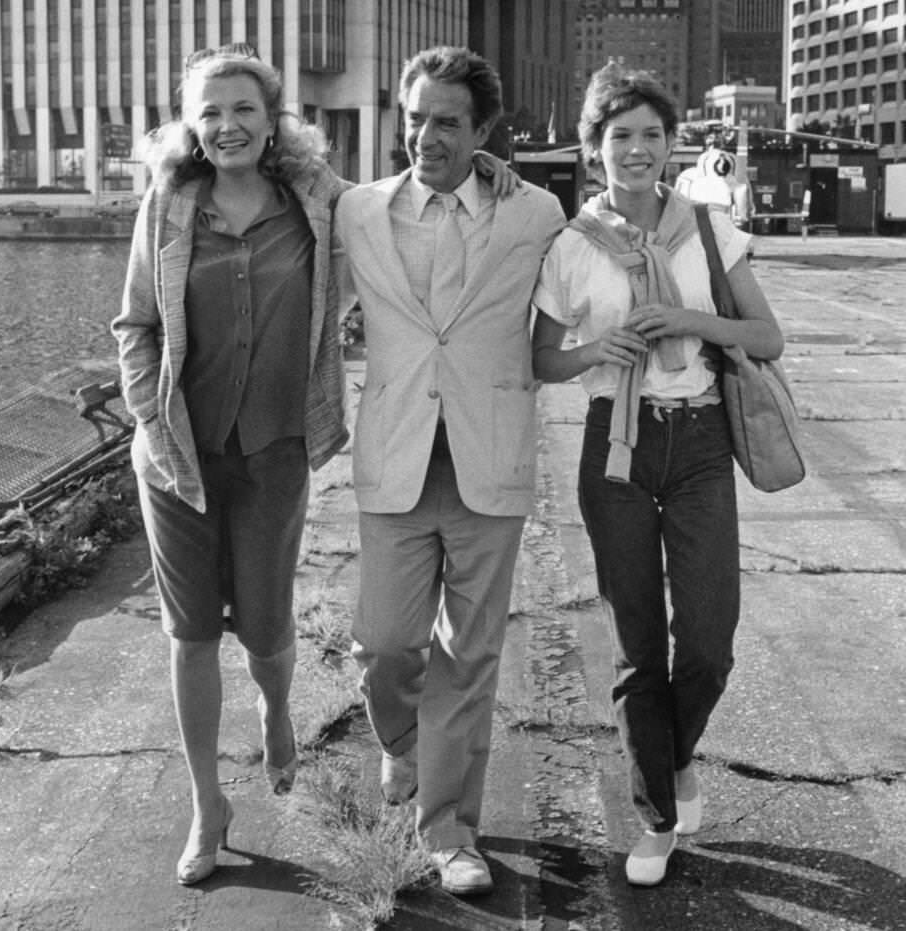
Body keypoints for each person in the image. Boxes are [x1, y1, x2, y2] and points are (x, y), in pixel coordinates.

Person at [530, 63, 784, 887]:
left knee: (708, 639)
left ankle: (672, 754)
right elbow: (542, 358)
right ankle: (656, 816)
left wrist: (685, 317)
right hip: (617, 444)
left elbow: (767, 336)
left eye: (651, 134)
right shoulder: (572, 246)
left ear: (672, 144)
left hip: (701, 438)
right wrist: (592, 352)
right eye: (619, 136)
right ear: (592, 148)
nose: (636, 149)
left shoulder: (707, 230)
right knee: (638, 644)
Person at [110, 44, 351, 886]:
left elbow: (407, 208)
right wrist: (152, 422)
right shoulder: (168, 204)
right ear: (189, 126)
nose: (226, 125)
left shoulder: (317, 201)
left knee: (267, 627)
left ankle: (277, 712)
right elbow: (135, 326)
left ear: (273, 118)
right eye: (208, 112)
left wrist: (491, 168)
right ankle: (207, 803)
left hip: (275, 452)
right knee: (191, 635)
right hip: (177, 458)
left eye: (243, 108)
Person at [337, 46, 566, 896]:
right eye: (415, 118)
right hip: (395, 454)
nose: (426, 137)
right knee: (386, 643)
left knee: (469, 655)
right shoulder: (358, 210)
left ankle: (450, 831)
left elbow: (588, 274)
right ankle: (403, 742)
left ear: (482, 131)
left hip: (488, 456)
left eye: (447, 122)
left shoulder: (536, 213)